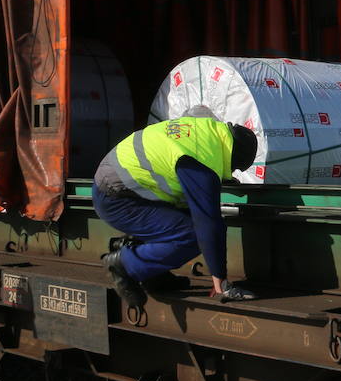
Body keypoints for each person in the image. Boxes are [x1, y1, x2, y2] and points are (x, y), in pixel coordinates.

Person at [93, 113, 259, 307]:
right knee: (192, 235)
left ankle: (153, 274)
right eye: (234, 168)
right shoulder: (202, 166)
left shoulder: (207, 134)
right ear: (233, 157)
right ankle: (125, 265)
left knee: (182, 218)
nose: (231, 172)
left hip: (118, 182)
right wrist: (221, 282)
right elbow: (208, 222)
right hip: (116, 199)